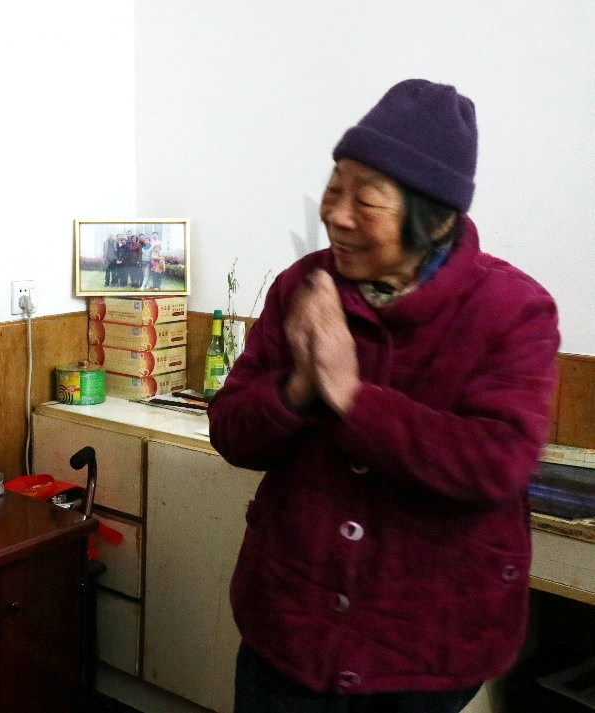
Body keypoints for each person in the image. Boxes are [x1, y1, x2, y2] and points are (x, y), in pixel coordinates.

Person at [208, 79, 559, 712]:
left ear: (437, 219)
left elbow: (495, 462)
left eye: (365, 199)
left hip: (425, 652)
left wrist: (350, 397)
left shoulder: (513, 309)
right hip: (289, 628)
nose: (336, 214)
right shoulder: (302, 287)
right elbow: (231, 429)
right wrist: (298, 388)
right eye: (333, 187)